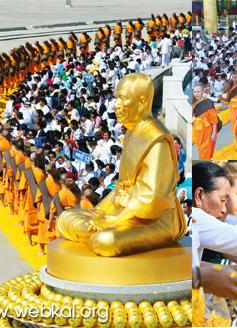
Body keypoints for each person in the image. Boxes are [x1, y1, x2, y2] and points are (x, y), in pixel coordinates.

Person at [57, 73, 186, 257]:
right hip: (122, 212)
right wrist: (99, 213)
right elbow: (121, 188)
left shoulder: (156, 141)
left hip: (155, 220)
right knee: (64, 219)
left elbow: (152, 200)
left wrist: (112, 221)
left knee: (105, 241)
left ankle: (98, 234)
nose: (116, 105)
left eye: (122, 99)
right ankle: (96, 231)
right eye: (116, 98)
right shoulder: (132, 133)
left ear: (142, 103)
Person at [193, 84, 218, 160]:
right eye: (195, 92)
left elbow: (214, 120)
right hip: (197, 130)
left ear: (203, 92)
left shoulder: (208, 102)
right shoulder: (193, 102)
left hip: (207, 130)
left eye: (198, 92)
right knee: (200, 149)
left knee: (205, 151)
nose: (196, 94)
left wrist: (213, 134)